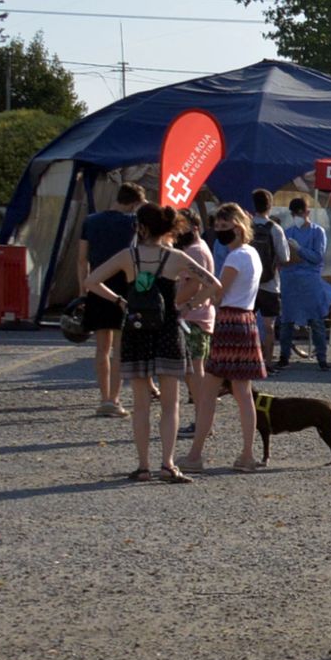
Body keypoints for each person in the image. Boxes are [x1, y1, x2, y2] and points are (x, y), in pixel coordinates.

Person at [84, 203, 223, 483]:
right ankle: (168, 463)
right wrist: (188, 305)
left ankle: (143, 465)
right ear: (169, 228)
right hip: (168, 329)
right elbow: (214, 285)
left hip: (136, 328)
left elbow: (91, 281)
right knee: (171, 404)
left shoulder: (128, 256)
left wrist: (120, 300)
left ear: (141, 227)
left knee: (141, 403)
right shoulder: (176, 257)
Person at [178, 203, 271, 473]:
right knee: (243, 393)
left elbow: (219, 292)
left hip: (229, 321)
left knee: (208, 393)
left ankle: (195, 456)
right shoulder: (252, 254)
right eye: (217, 227)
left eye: (223, 227)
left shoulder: (234, 258)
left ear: (237, 227)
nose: (219, 232)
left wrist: (191, 303)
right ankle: (247, 455)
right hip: (246, 320)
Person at [78, 182, 145, 417]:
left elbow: (81, 259)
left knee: (101, 348)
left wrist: (82, 289)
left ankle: (104, 396)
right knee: (119, 348)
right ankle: (115, 399)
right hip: (123, 289)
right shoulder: (133, 223)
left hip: (96, 286)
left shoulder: (91, 221)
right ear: (135, 203)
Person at [276, 195, 331, 371]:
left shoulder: (317, 232)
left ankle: (322, 357)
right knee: (287, 321)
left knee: (316, 321)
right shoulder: (288, 233)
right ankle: (284, 356)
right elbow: (282, 258)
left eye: (299, 212)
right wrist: (292, 257)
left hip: (310, 281)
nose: (296, 216)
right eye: (294, 213)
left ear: (307, 212)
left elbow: (317, 257)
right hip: (290, 280)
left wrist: (299, 250)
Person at [172, 209, 217, 439]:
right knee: (195, 371)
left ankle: (203, 422)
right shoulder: (197, 249)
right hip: (198, 316)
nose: (178, 230)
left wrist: (171, 303)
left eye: (183, 226)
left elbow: (193, 286)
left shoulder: (195, 251)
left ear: (195, 227)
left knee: (195, 372)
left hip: (194, 317)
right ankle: (202, 421)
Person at [249, 189, 289, 369]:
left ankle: (248, 358)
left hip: (249, 283)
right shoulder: (275, 228)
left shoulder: (246, 226)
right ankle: (268, 361)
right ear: (270, 205)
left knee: (247, 323)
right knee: (269, 325)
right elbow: (285, 257)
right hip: (270, 283)